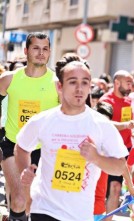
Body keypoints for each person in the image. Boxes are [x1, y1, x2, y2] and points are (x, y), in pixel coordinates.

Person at [15, 55, 129, 221]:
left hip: (79, 214)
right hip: (44, 208)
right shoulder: (43, 120)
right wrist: (25, 175)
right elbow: (22, 146)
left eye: (84, 82)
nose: (79, 89)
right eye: (73, 82)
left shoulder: (101, 124)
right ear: (60, 86)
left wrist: (96, 158)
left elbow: (120, 167)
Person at [0, 32, 60, 221]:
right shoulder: (9, 79)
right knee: (18, 198)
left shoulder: (57, 83)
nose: (41, 53)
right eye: (36, 48)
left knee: (31, 203)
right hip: (12, 144)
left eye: (45, 49)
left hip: (42, 149)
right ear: (26, 51)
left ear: (50, 52)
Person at [99, 70, 134, 220]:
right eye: (127, 83)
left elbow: (126, 126)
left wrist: (131, 132)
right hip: (107, 151)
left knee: (116, 188)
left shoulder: (129, 102)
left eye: (131, 83)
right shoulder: (106, 100)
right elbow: (104, 124)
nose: (130, 86)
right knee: (107, 189)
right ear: (117, 83)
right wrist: (126, 125)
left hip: (124, 150)